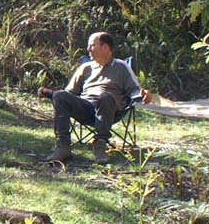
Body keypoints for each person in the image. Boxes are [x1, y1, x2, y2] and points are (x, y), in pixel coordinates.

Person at [38, 31, 151, 164]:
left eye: (92, 45)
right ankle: (63, 147)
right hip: (85, 107)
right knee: (59, 95)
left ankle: (100, 144)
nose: (88, 49)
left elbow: (134, 91)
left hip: (109, 108)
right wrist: (54, 95)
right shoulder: (86, 68)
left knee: (105, 96)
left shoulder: (121, 67)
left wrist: (143, 95)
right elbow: (69, 93)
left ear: (105, 47)